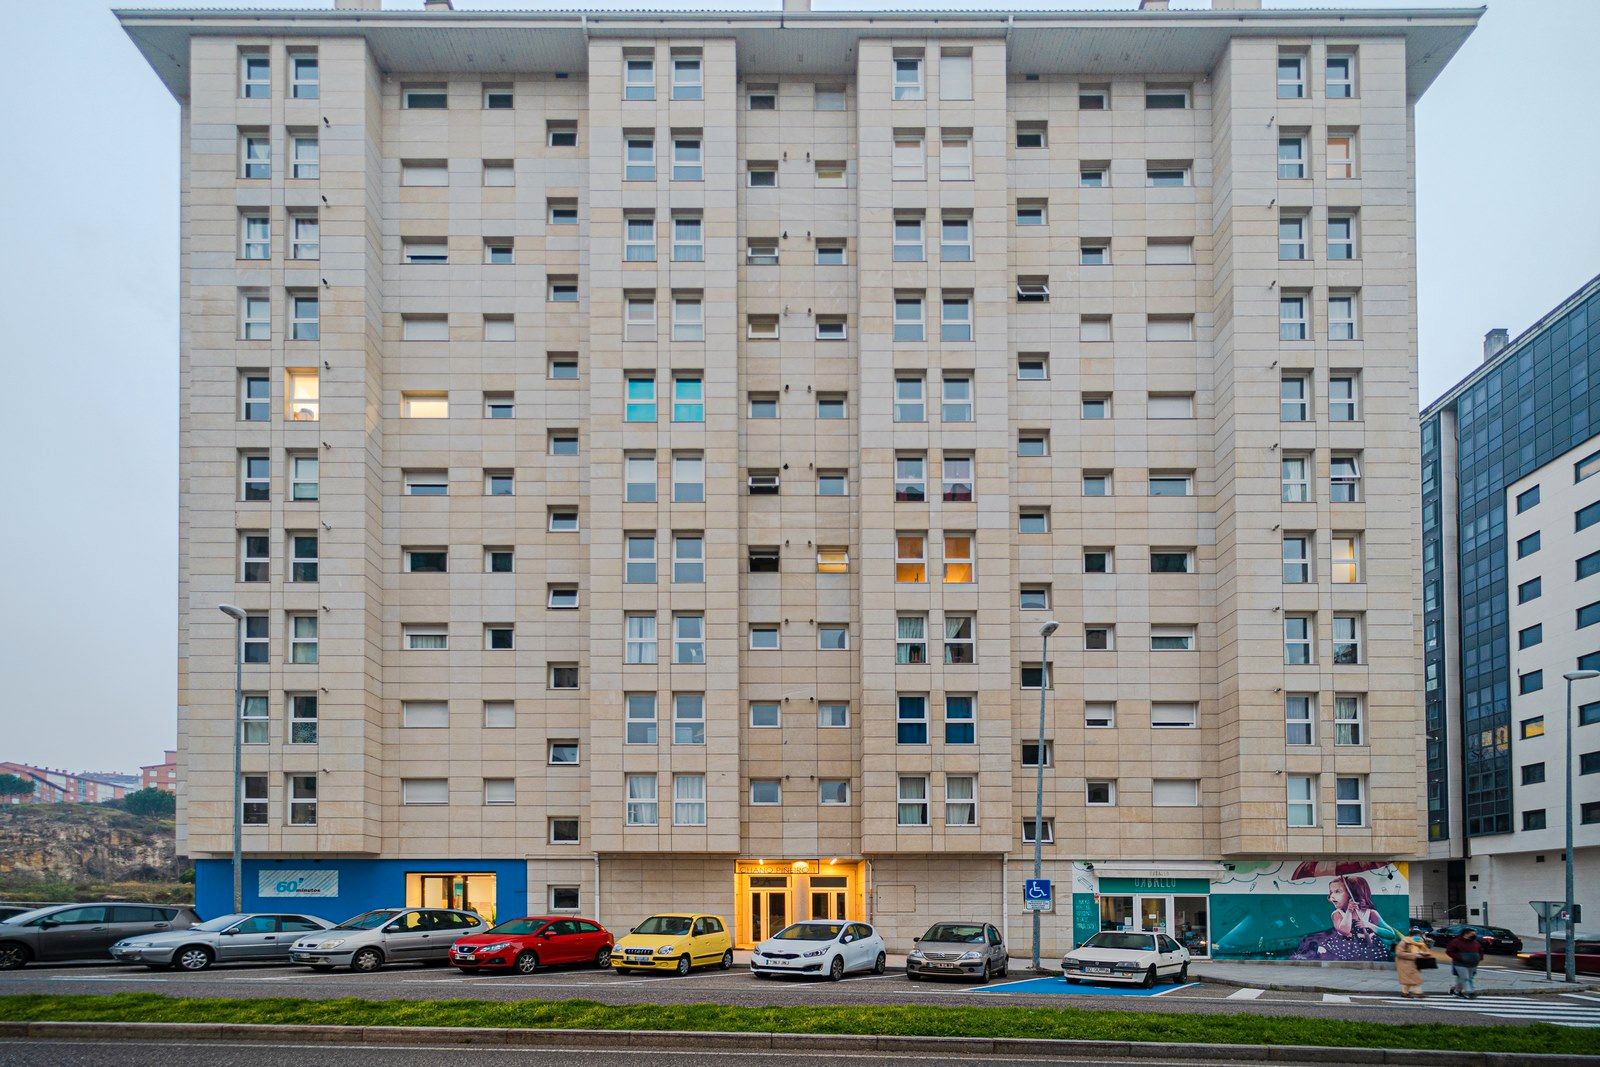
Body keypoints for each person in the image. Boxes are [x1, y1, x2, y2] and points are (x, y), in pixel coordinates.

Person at [1445, 928, 1483, 998]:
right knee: (1465, 978)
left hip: (1473, 964)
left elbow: (1480, 951)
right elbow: (1449, 951)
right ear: (1466, 934)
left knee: (1465, 978)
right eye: (1472, 933)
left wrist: (1479, 958)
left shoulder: (1475, 942)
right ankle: (1470, 992)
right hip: (1460, 964)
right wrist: (1460, 957)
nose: (1474, 935)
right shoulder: (1456, 941)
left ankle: (1455, 990)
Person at [1394, 933, 1432, 998]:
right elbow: (1399, 953)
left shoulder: (1418, 942)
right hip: (1404, 963)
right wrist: (1415, 955)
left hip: (1412, 963)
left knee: (1408, 979)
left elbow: (1421, 950)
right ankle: (1419, 993)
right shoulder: (1405, 942)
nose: (1419, 938)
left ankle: (1405, 993)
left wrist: (1424, 954)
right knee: (1414, 979)